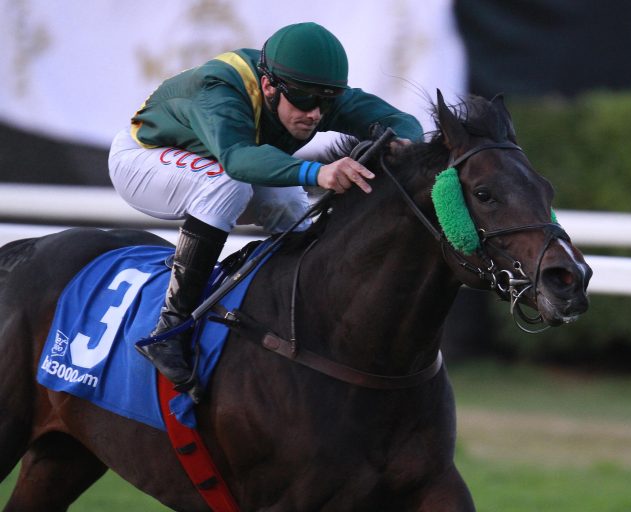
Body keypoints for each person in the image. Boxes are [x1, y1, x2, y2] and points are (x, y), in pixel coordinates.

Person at [108, 22, 423, 397]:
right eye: (306, 101)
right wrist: (318, 172)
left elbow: (402, 122)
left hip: (214, 165)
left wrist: (404, 144)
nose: (317, 114)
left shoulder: (307, 91)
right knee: (228, 183)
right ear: (269, 85)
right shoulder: (219, 89)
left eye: (327, 101)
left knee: (292, 206)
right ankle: (169, 329)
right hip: (142, 159)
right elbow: (239, 160)